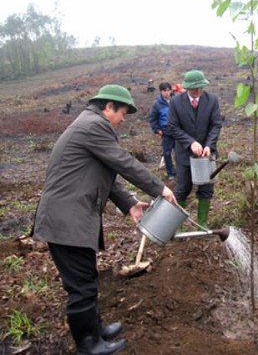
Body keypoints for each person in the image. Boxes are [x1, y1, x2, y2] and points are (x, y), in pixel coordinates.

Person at [32, 84, 176, 355]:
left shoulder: (87, 124)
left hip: (69, 217)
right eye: (122, 113)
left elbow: (105, 173)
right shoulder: (94, 125)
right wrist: (160, 188)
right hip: (66, 219)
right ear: (108, 107)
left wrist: (130, 204)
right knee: (81, 284)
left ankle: (95, 328)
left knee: (87, 276)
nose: (123, 120)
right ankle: (88, 344)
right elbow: (122, 161)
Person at [167, 70, 222, 227]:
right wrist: (190, 142)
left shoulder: (212, 100)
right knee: (183, 189)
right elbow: (172, 127)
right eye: (194, 89)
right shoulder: (176, 102)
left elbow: (216, 124)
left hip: (206, 155)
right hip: (185, 154)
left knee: (206, 189)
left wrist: (209, 145)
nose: (198, 92)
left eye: (200, 88)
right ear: (186, 88)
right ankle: (178, 225)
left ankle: (202, 224)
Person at [149, 82, 176, 180]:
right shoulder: (157, 104)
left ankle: (181, 171)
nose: (168, 93)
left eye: (169, 90)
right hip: (166, 131)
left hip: (177, 130)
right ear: (161, 91)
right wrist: (157, 130)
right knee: (167, 153)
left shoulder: (176, 100)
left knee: (179, 152)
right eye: (165, 91)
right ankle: (171, 173)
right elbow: (153, 118)